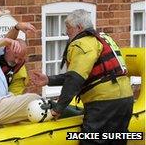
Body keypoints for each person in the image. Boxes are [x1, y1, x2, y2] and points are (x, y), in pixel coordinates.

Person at [30, 9, 133, 145]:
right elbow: (88, 73)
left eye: (68, 28)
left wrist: (58, 109)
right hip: (126, 100)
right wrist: (49, 80)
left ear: (79, 28)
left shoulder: (82, 43)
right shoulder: (104, 38)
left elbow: (75, 79)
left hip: (103, 103)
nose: (66, 32)